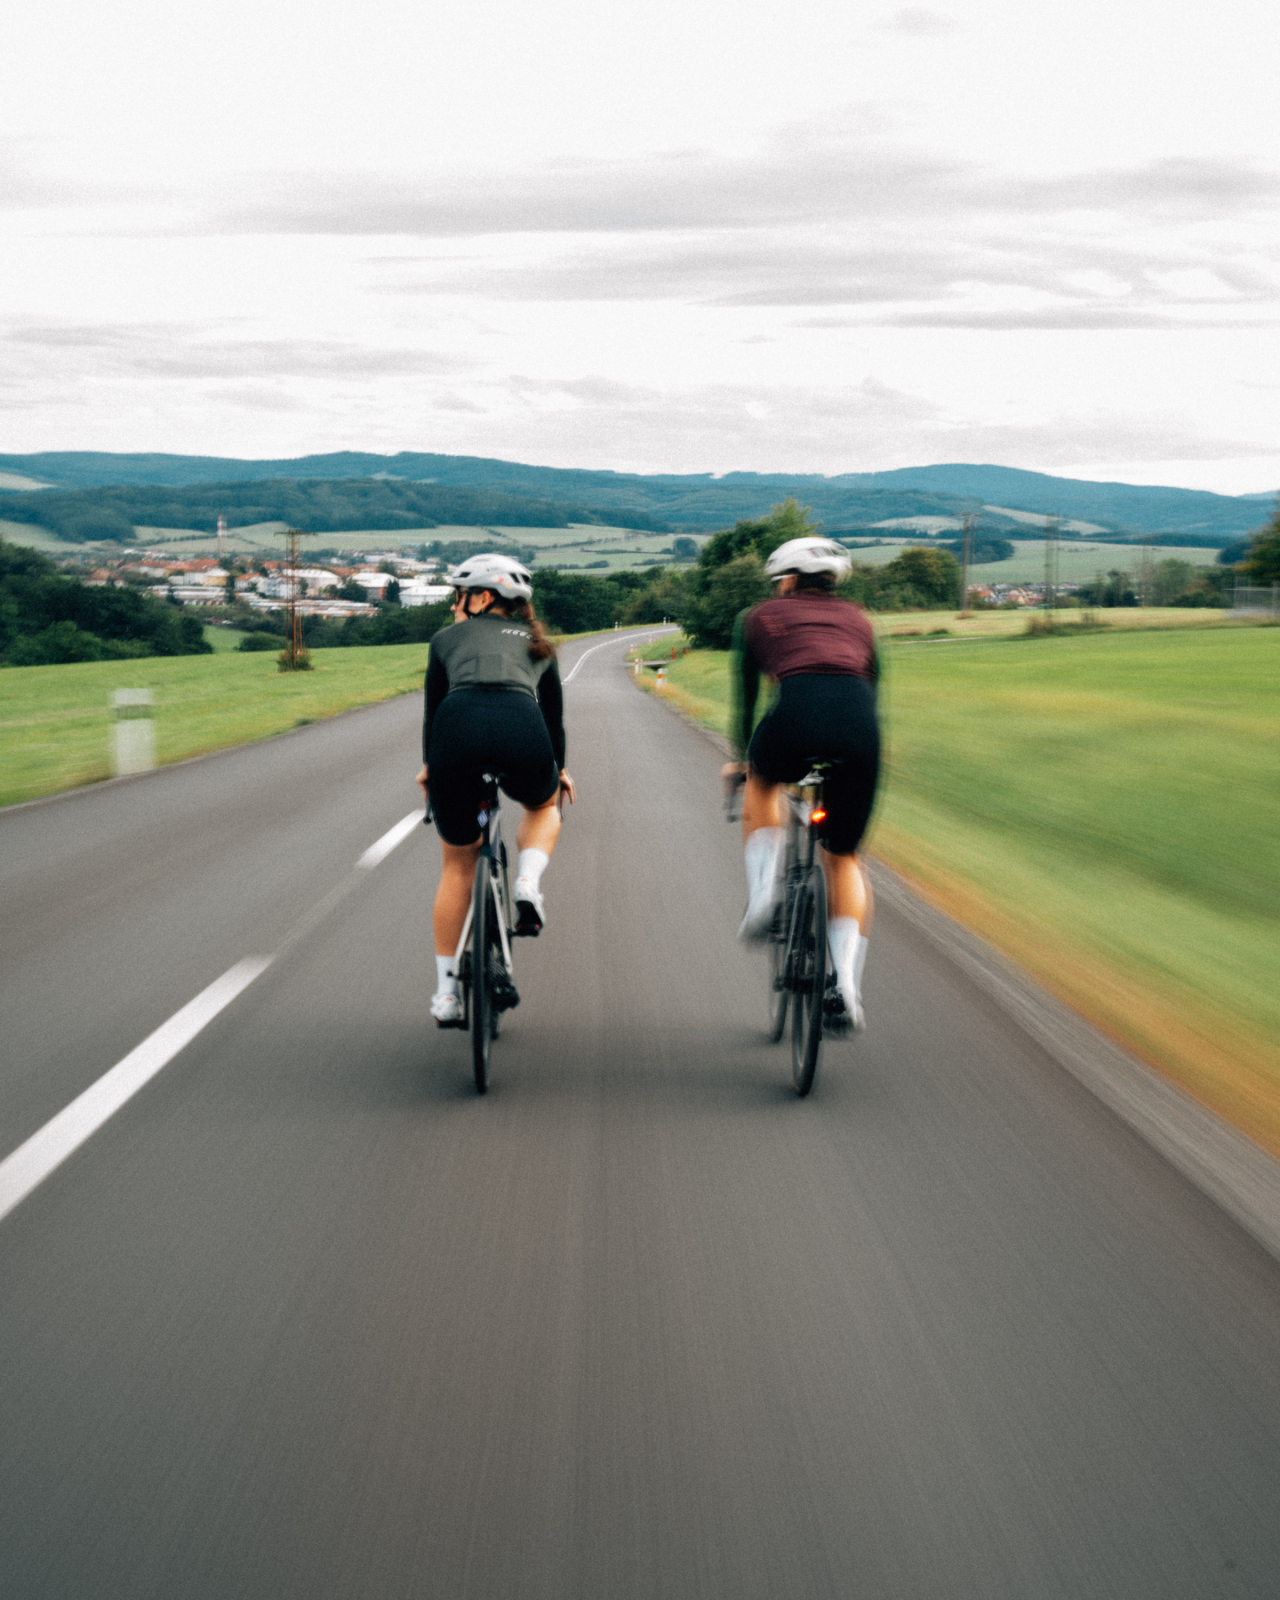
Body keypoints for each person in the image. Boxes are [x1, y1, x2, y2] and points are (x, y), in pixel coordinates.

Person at [726, 536, 880, 1029]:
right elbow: (872, 687)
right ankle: (846, 988)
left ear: (788, 580)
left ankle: (763, 897)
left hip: (794, 719)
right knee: (844, 856)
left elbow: (746, 697)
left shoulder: (759, 616)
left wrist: (740, 758)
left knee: (762, 781)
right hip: (860, 731)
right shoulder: (860, 620)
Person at [417, 553, 575, 1026]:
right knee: (544, 806)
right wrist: (559, 770)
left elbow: (433, 712)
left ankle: (447, 994)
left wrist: (430, 768)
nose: (453, 606)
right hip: (521, 729)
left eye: (458, 596)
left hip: (455, 733)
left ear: (483, 597)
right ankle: (527, 882)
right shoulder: (539, 644)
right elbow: (554, 721)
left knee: (457, 862)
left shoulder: (444, 640)